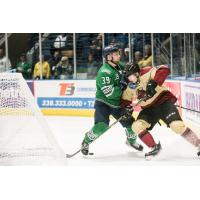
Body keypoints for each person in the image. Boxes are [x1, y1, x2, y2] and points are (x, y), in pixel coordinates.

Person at [121, 63, 200, 158]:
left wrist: (153, 83)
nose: (127, 78)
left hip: (163, 104)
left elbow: (164, 69)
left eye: (129, 75)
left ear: (137, 73)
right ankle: (154, 147)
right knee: (136, 126)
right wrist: (126, 109)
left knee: (177, 126)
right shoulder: (130, 85)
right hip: (149, 110)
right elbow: (125, 100)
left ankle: (198, 144)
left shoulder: (147, 72)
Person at [80, 45, 143, 155]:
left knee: (131, 125)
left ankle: (131, 141)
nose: (119, 55)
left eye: (118, 53)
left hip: (118, 104)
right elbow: (111, 94)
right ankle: (86, 142)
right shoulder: (104, 72)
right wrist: (123, 84)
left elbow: (132, 74)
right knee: (101, 127)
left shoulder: (119, 66)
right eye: (115, 54)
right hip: (104, 103)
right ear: (108, 57)